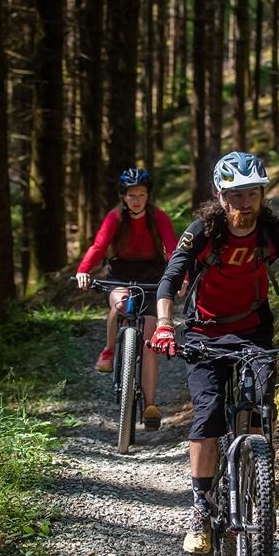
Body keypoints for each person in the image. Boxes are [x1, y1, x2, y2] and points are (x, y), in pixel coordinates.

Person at [149, 151, 279, 554]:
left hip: (255, 332)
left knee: (258, 410)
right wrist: (166, 323)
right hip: (205, 334)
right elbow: (170, 279)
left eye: (252, 193)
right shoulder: (202, 232)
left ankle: (251, 487)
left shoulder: (275, 232)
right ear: (221, 196)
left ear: (262, 195)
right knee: (207, 415)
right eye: (236, 195)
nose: (245, 203)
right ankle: (201, 508)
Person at [76, 168, 180, 431]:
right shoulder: (115, 218)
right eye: (131, 195)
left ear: (148, 196)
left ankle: (150, 406)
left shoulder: (158, 218)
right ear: (123, 197)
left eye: (141, 195)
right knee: (120, 304)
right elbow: (99, 246)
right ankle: (109, 350)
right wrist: (83, 270)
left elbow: (173, 248)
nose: (136, 200)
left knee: (148, 341)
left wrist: (183, 276)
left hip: (152, 277)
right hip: (120, 276)